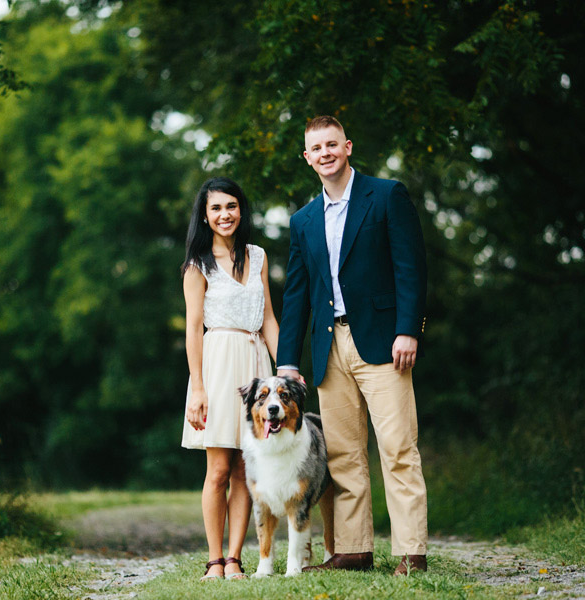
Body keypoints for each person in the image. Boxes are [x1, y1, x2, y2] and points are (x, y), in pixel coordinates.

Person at [276, 115, 429, 575]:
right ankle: (353, 551)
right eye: (315, 148)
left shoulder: (386, 196)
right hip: (329, 348)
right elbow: (297, 293)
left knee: (398, 447)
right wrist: (286, 361)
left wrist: (409, 329)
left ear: (347, 147)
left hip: (384, 341)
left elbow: (411, 267)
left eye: (331, 144)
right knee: (342, 454)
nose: (324, 153)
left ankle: (411, 553)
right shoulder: (302, 220)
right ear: (307, 158)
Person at [180, 177, 280, 581]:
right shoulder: (197, 264)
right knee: (218, 469)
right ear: (205, 216)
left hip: (256, 364)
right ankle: (214, 561)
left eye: (232, 206)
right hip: (218, 364)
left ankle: (236, 558)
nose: (225, 214)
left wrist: (284, 367)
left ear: (242, 210)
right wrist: (198, 387)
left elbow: (269, 317)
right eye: (217, 208)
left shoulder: (257, 256)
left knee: (245, 469)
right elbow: (193, 328)